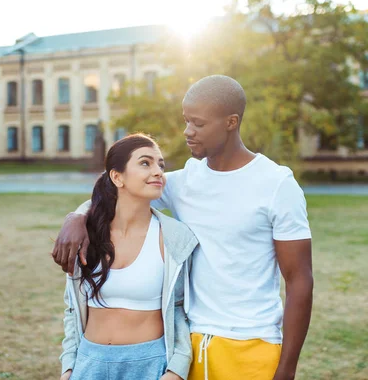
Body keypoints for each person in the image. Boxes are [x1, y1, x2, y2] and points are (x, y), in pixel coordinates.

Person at [53, 75, 313, 380]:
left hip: (251, 345)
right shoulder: (183, 182)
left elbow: (300, 281)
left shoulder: (276, 183)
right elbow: (118, 191)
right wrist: (77, 217)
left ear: (231, 122)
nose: (187, 132)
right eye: (186, 121)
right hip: (189, 346)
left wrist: (287, 370)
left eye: (198, 124)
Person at [58, 134, 197, 380]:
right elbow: (72, 308)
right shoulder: (87, 235)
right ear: (117, 177)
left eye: (161, 165)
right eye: (145, 163)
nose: (158, 172)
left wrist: (176, 371)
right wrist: (69, 366)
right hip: (90, 363)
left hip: (149, 366)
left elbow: (181, 310)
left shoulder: (174, 237)